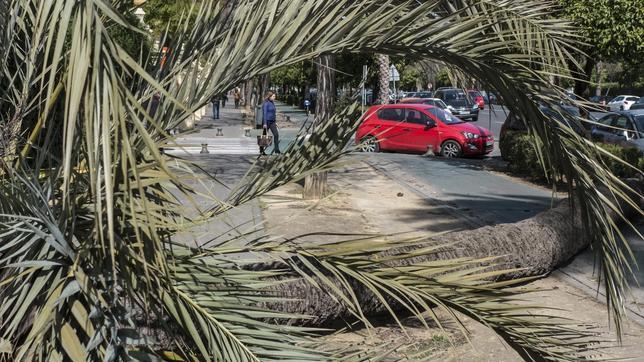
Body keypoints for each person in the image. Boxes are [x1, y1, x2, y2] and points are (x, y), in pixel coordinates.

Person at [261, 91, 280, 155]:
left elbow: (273, 113)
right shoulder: (266, 103)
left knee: (276, 134)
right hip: (266, 122)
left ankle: (277, 150)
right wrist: (265, 123)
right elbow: (265, 114)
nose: (275, 97)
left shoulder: (272, 103)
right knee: (264, 137)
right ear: (269, 96)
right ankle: (261, 150)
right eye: (273, 96)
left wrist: (275, 122)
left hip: (272, 122)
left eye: (275, 96)